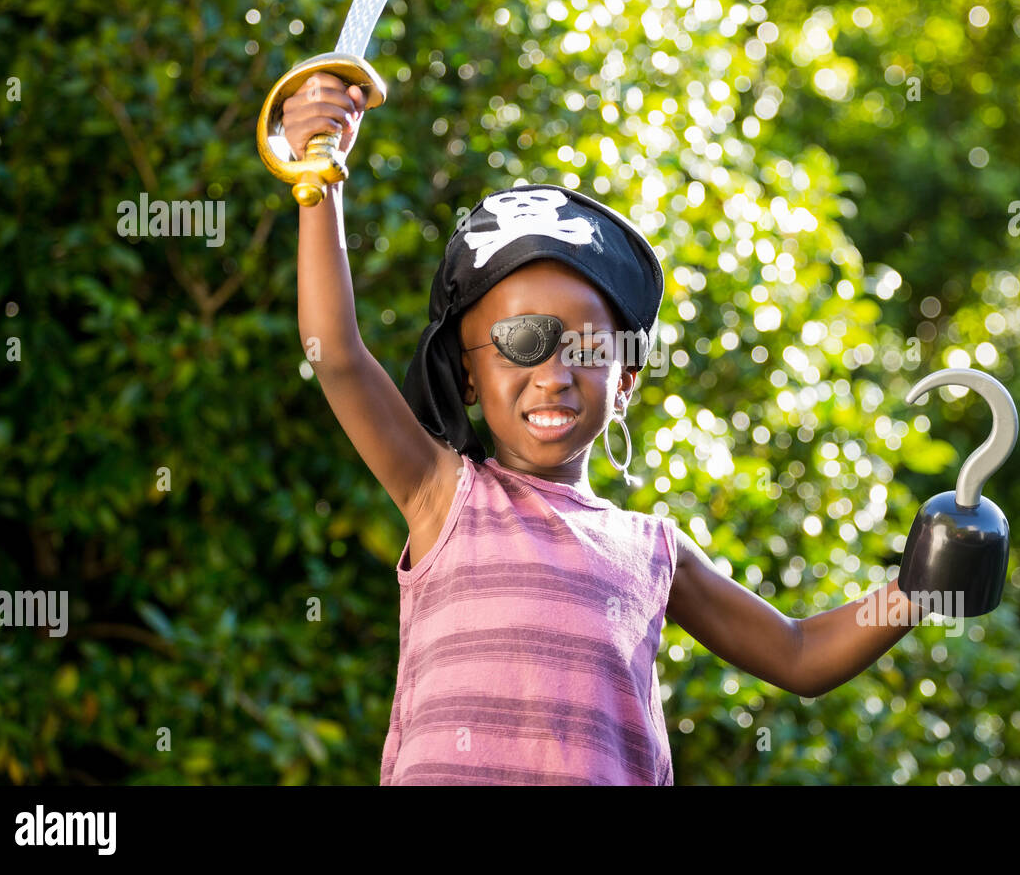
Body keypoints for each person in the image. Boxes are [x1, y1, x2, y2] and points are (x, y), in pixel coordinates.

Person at [281, 74, 923, 785]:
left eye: (586, 349)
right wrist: (320, 174)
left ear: (623, 382)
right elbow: (335, 353)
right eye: (523, 341)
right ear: (467, 377)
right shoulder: (444, 496)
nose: (554, 374)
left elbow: (799, 655)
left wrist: (921, 588)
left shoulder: (654, 551)